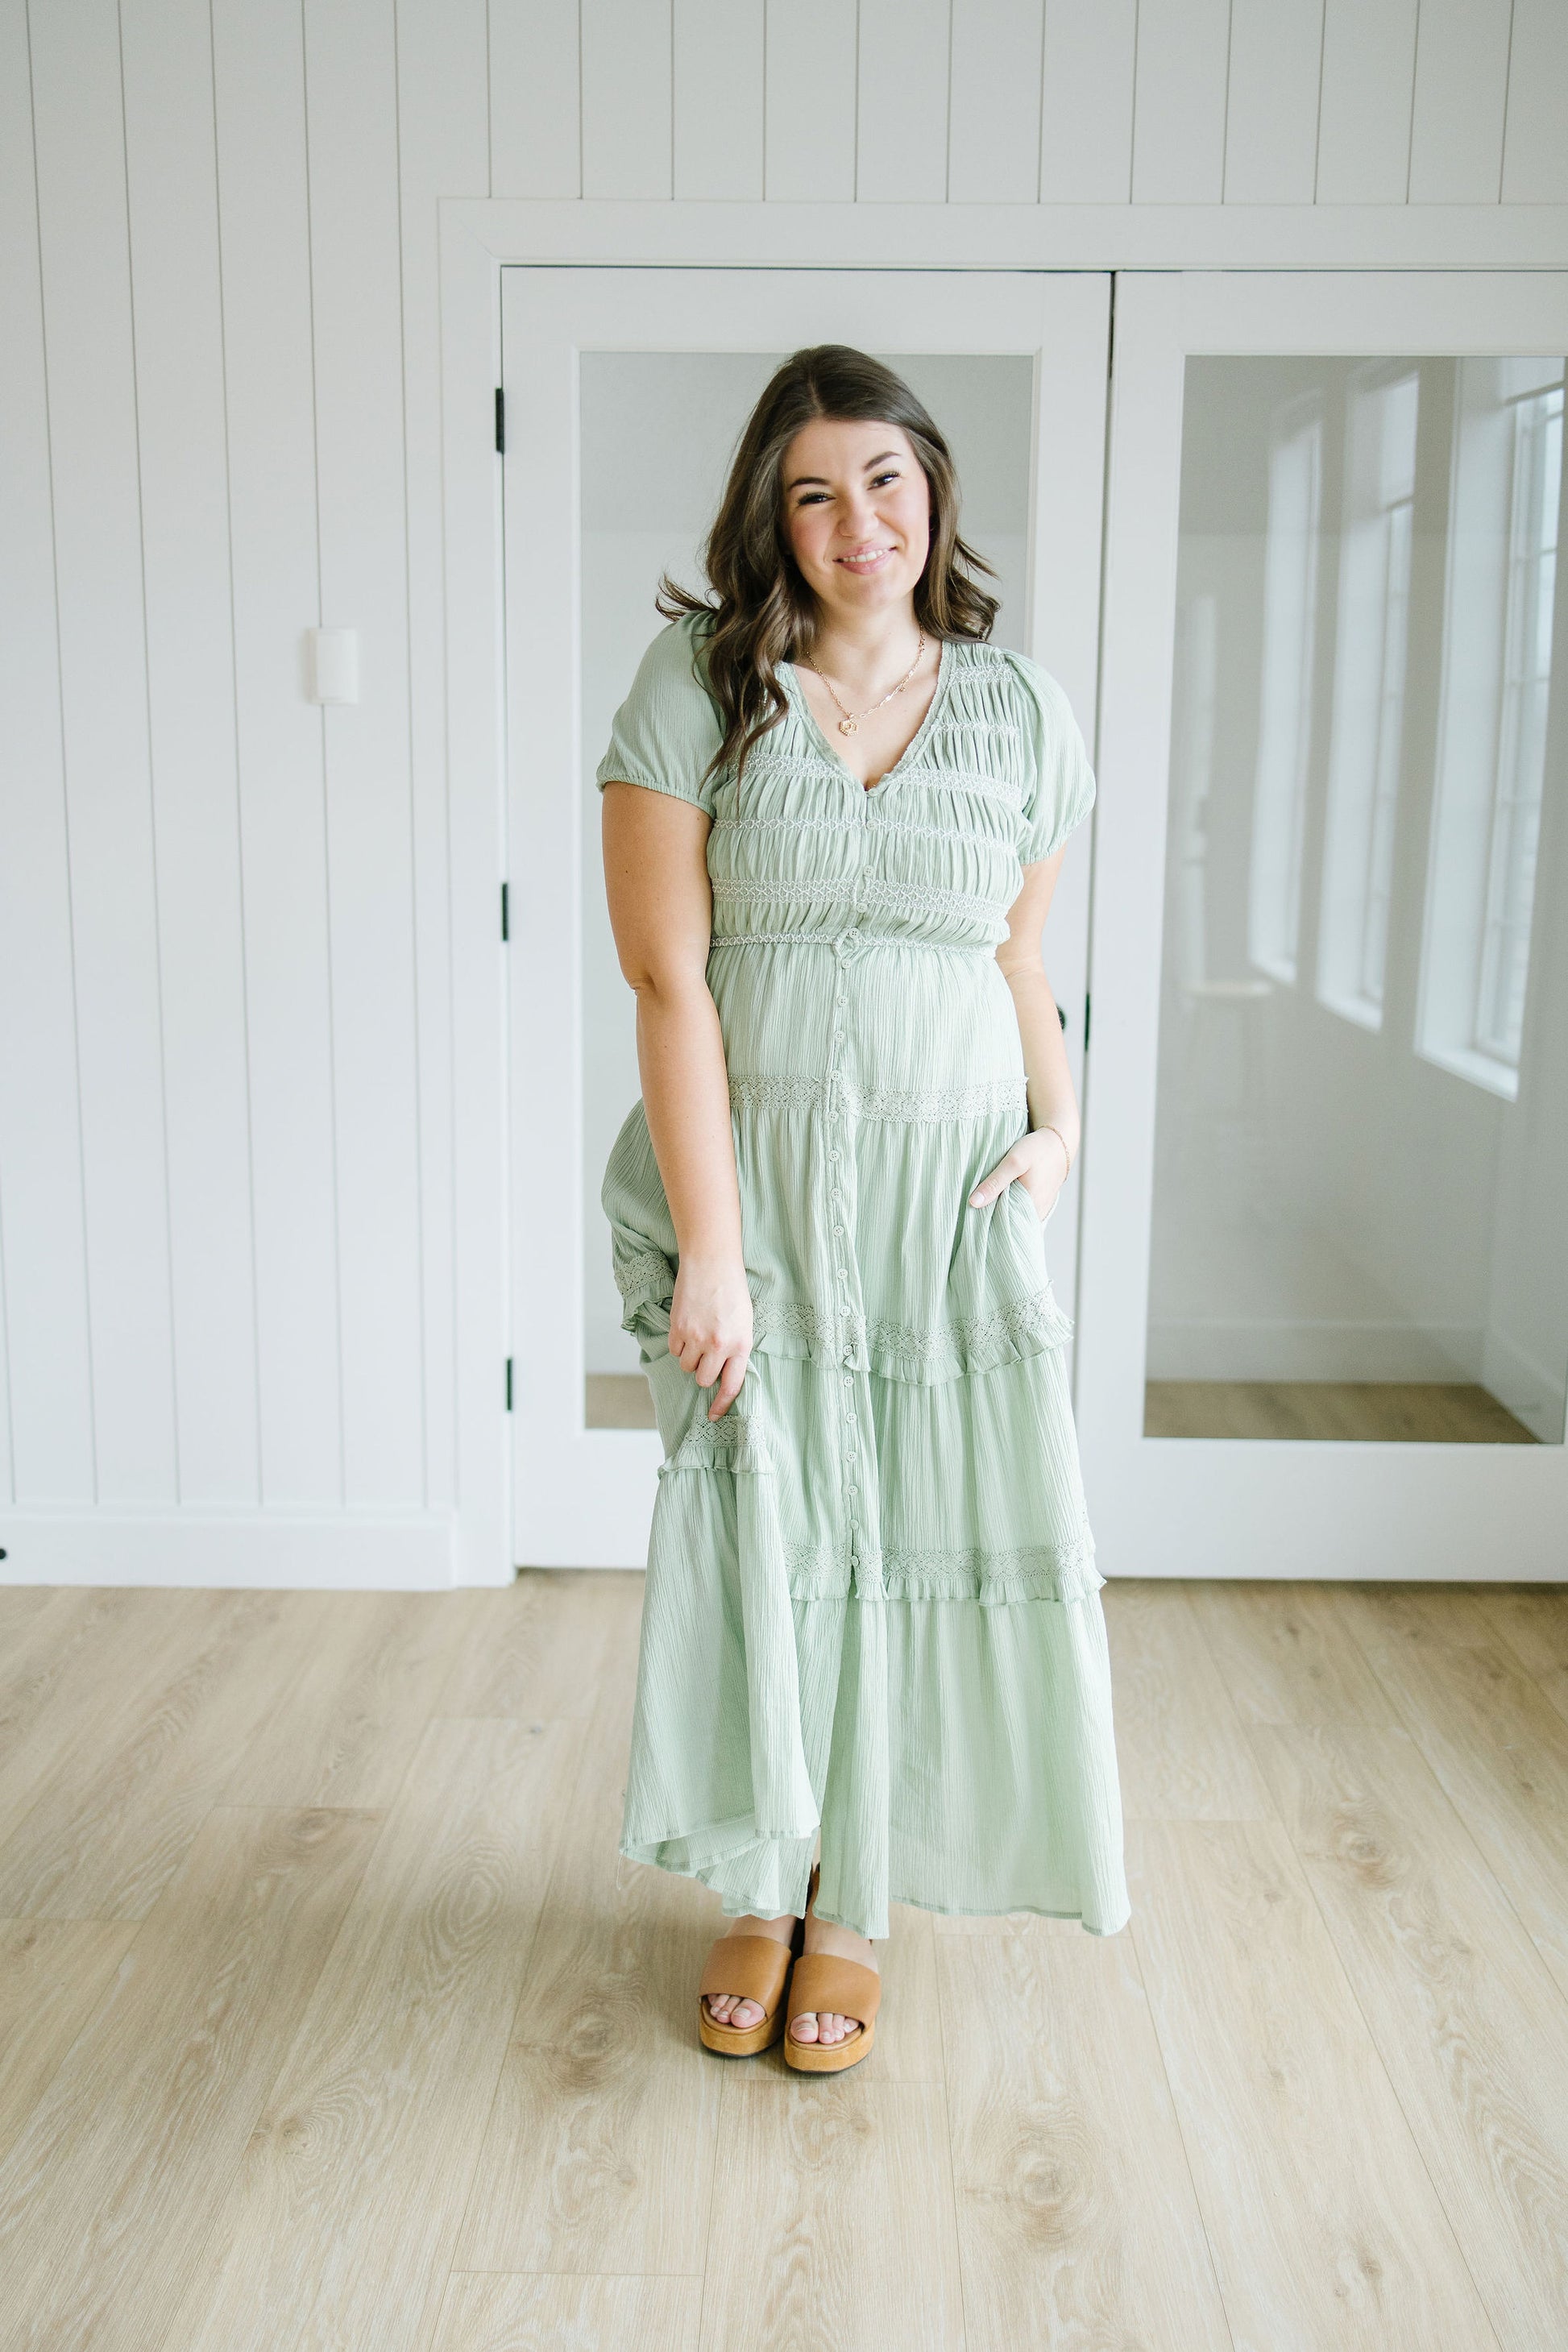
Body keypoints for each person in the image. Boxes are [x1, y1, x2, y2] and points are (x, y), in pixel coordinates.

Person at [596, 345, 1129, 2076]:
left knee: (904, 1544)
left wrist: (1060, 1133)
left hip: (944, 1201)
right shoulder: (701, 680)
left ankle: (854, 1903)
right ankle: (763, 1882)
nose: (857, 521)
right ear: (774, 514)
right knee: (776, 1531)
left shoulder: (1022, 708)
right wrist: (716, 1249)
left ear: (933, 489)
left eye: (884, 478)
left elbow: (1022, 960)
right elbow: (667, 982)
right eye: (814, 490)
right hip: (756, 1198)